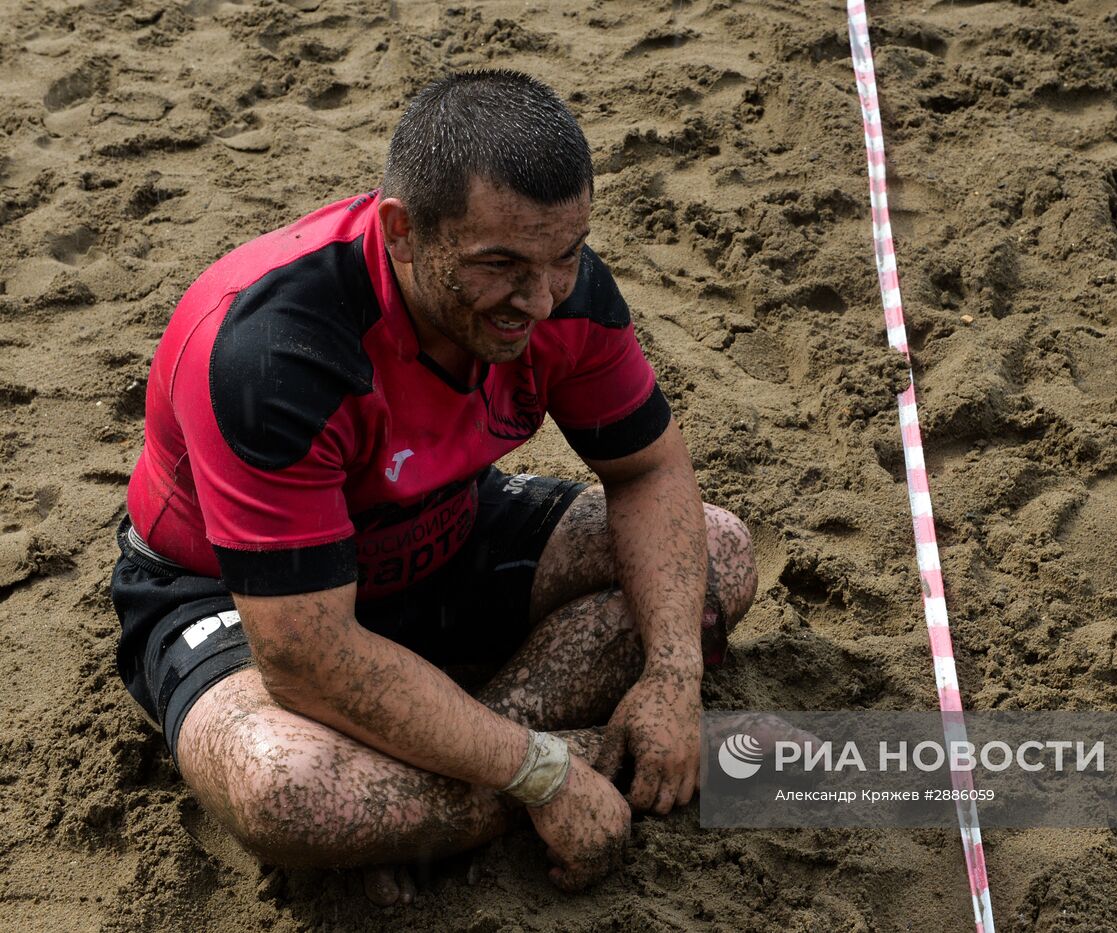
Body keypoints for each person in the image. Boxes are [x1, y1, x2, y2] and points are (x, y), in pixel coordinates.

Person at [109, 70, 757, 904]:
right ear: (403, 232)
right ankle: (538, 770)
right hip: (230, 592)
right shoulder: (274, 349)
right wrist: (546, 771)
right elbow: (308, 660)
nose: (539, 299)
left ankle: (426, 805)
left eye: (566, 254)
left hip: (437, 528)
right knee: (286, 786)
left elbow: (649, 470)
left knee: (722, 552)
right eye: (502, 266)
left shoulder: (562, 291)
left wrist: (672, 676)